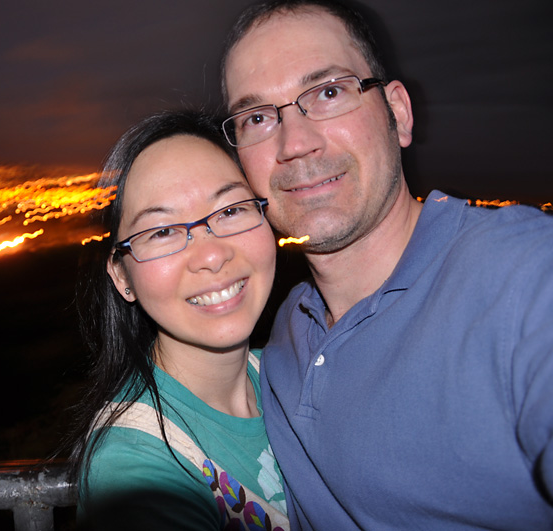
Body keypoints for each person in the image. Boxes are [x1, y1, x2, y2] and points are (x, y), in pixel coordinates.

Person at [219, 0, 553, 529]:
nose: (295, 144)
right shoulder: (285, 329)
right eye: (258, 117)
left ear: (397, 112)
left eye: (328, 92)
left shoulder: (523, 276)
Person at [65, 110, 290, 530]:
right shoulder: (133, 463)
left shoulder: (296, 375)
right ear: (122, 276)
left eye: (230, 210)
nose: (211, 254)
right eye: (163, 232)